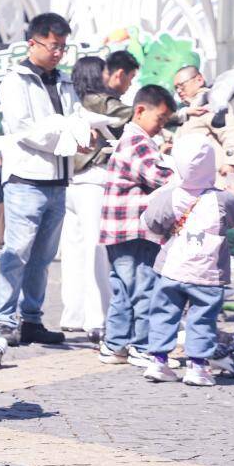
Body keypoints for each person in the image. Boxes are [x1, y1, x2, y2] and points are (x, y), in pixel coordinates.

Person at [0, 12, 76, 345]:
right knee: (16, 253)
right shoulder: (16, 80)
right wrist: (66, 140)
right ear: (33, 43)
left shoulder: (64, 80)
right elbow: (23, 128)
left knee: (42, 259)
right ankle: (3, 319)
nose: (57, 53)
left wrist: (83, 133)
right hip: (26, 178)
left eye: (63, 47)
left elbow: (75, 118)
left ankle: (32, 319)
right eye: (53, 46)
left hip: (59, 180)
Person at [143, 137, 234, 386]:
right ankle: (197, 366)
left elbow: (148, 224)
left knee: (164, 313)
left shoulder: (169, 196)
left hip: (172, 269)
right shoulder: (224, 200)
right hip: (208, 273)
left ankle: (159, 362)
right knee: (203, 318)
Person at [98, 85, 176, 370]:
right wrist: (184, 172)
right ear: (141, 110)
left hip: (118, 228)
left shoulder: (128, 140)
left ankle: (116, 344)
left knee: (123, 288)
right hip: (136, 228)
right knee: (145, 288)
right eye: (161, 118)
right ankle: (142, 346)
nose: (162, 125)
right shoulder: (139, 142)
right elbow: (160, 177)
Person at [59, 53, 134, 342]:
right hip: (94, 179)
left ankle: (74, 315)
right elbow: (132, 115)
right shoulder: (102, 101)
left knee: (74, 251)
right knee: (96, 251)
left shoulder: (72, 100)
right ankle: (98, 316)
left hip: (70, 181)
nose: (107, 76)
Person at [172, 64, 234, 188]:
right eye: (176, 88)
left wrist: (230, 163)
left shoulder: (208, 102)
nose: (179, 91)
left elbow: (232, 132)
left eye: (182, 85)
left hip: (217, 182)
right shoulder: (189, 109)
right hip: (197, 184)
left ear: (199, 80)